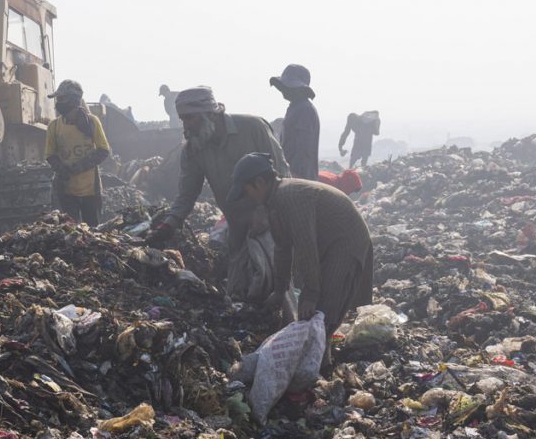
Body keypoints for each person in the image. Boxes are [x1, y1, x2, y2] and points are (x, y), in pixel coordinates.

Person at [228, 152, 374, 369]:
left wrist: (310, 294)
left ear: (260, 183)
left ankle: (319, 373)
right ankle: (315, 365)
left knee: (323, 314)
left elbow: (306, 246)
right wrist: (278, 291)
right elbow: (282, 248)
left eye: (247, 190)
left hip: (346, 242)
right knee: (316, 315)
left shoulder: (290, 196)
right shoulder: (275, 201)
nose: (247, 196)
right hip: (329, 243)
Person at [145, 86, 289, 261]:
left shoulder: (253, 128)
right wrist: (168, 225)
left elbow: (282, 175)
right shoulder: (194, 148)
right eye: (183, 119)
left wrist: (264, 212)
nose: (186, 125)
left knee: (275, 276)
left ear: (210, 114)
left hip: (272, 223)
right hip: (237, 226)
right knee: (239, 282)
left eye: (190, 118)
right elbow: (187, 194)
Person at [45, 80, 111, 226]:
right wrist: (61, 168)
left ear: (73, 100)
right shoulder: (54, 126)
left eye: (61, 98)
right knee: (71, 233)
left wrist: (79, 167)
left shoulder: (93, 122)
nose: (58, 102)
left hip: (91, 191)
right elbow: (50, 155)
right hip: (66, 191)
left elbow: (103, 150)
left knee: (93, 231)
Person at [269, 64, 320, 180]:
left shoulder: (305, 109)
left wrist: (294, 177)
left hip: (301, 179)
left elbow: (303, 150)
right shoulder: (295, 107)